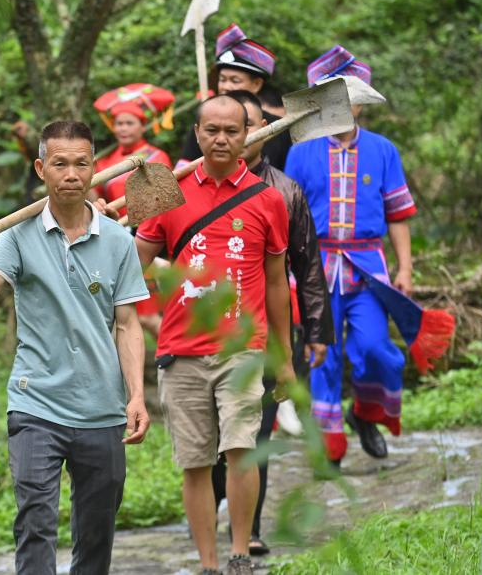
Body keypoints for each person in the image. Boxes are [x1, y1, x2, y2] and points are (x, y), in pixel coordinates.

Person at [0, 120, 151, 575]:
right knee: (35, 523)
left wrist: (136, 395)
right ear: (42, 169)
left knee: (97, 531)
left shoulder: (118, 240)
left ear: (94, 167)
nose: (71, 174)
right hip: (35, 402)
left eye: (81, 164)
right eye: (60, 164)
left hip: (101, 408)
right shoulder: (17, 235)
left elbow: (127, 324)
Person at [135, 96, 309, 575]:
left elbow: (277, 283)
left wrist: (284, 355)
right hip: (181, 350)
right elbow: (133, 262)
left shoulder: (267, 199)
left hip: (242, 350)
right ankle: (208, 564)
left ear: (247, 135)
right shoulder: (168, 191)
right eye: (211, 130)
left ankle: (239, 554)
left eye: (231, 131)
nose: (221, 139)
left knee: (240, 451)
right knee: (195, 462)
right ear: (196, 133)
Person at [209, 91, 334, 555]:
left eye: (247, 125)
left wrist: (316, 329)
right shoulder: (193, 188)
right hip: (206, 331)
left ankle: (250, 528)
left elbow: (307, 265)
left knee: (255, 433)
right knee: (213, 438)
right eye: (223, 127)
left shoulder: (284, 191)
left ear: (262, 130)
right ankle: (215, 504)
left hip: (264, 332)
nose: (237, 135)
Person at [284, 46, 417, 468]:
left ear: (360, 105)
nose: (344, 106)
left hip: (367, 268)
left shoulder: (383, 150)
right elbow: (288, 217)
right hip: (315, 268)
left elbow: (397, 214)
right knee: (322, 353)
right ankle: (330, 444)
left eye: (351, 99)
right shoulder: (301, 151)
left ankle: (366, 413)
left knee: (376, 348)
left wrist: (405, 267)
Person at [91, 83, 175, 338]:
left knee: (148, 316)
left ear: (142, 126)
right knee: (118, 315)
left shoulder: (157, 156)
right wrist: (88, 177)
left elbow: (163, 201)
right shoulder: (105, 161)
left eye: (129, 123)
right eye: (119, 123)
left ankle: (174, 355)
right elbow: (95, 201)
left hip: (146, 239)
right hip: (114, 237)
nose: (123, 128)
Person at [178, 23, 290, 170]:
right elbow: (184, 168)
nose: (226, 87)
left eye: (235, 81)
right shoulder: (206, 121)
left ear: (256, 84)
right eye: (222, 79)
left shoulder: (279, 129)